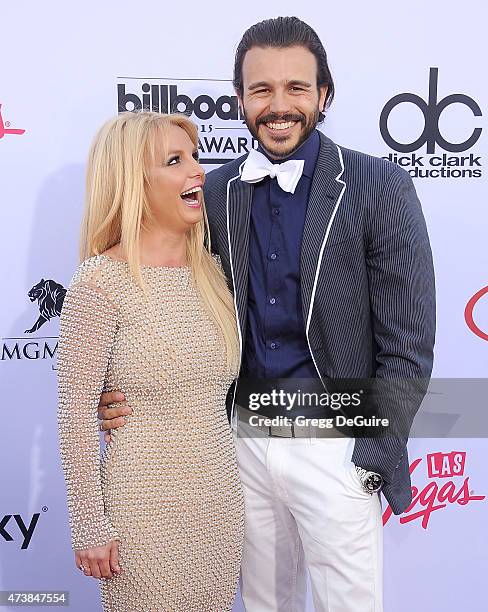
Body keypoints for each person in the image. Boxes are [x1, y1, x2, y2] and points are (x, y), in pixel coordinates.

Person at [98, 16, 436, 612]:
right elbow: (152, 288)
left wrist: (376, 445)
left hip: (338, 438)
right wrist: (116, 388)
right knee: (264, 603)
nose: (279, 106)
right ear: (241, 100)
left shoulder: (378, 184)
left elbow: (408, 337)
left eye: (296, 88)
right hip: (240, 443)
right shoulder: (215, 190)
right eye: (262, 90)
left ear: (323, 95)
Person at [57, 111, 243, 611]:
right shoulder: (100, 283)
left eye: (196, 157)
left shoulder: (215, 274)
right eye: (175, 161)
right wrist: (89, 525)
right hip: (142, 507)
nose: (199, 171)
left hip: (218, 499)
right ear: (134, 181)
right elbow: (74, 415)